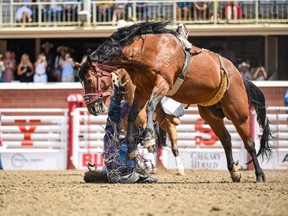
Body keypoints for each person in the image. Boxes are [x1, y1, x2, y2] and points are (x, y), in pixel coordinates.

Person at [84, 84, 157, 184]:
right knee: (116, 136)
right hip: (125, 172)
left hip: (124, 173)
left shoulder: (109, 165)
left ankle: (116, 101)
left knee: (116, 136)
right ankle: (116, 101)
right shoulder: (109, 163)